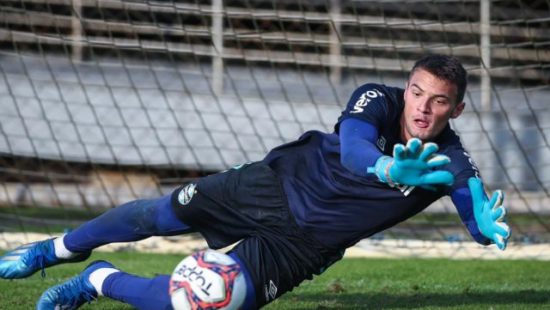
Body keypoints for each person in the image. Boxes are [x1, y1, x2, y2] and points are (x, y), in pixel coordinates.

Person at [0, 54, 510, 310]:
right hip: (272, 185)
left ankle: (97, 279)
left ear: (456, 108)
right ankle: (54, 250)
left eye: (438, 100)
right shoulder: (377, 99)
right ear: (407, 88)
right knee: (158, 215)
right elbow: (355, 147)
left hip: (306, 244)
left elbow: (474, 213)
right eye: (418, 92)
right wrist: (388, 170)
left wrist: (485, 227)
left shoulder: (453, 162)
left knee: (202, 303)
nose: (422, 107)